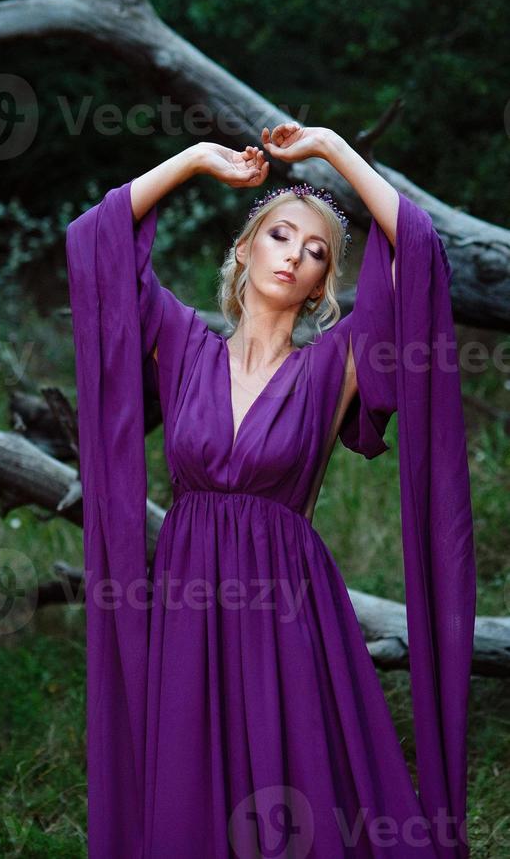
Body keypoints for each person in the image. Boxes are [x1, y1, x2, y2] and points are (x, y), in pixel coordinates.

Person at [65, 123, 476, 859]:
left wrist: (332, 151)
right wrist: (192, 159)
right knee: (191, 794)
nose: (296, 255)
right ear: (247, 247)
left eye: (317, 251)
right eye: (282, 235)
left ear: (325, 283)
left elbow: (419, 250)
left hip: (289, 605)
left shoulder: (340, 362)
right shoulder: (180, 343)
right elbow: (98, 239)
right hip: (187, 603)